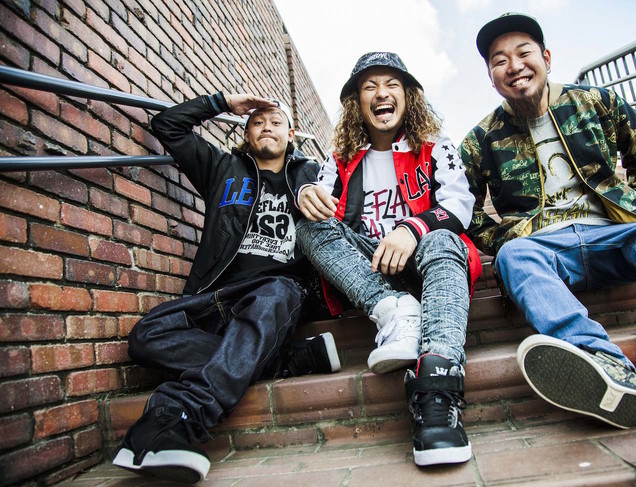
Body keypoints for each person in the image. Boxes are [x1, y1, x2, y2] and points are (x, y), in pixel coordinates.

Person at [460, 13, 636, 430]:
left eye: (524, 53)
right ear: (491, 77)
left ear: (547, 58)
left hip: (613, 235)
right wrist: (504, 236)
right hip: (546, 249)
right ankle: (600, 362)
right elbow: (463, 205)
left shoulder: (594, 102)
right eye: (499, 61)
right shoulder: (481, 139)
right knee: (513, 256)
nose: (514, 66)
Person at [112, 93, 341, 484]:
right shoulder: (222, 169)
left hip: (279, 290)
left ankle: (180, 415)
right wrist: (222, 103)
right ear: (246, 134)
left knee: (274, 295)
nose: (266, 127)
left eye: (276, 121)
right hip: (217, 295)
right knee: (146, 336)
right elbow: (167, 125)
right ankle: (282, 361)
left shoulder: (313, 173)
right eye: (257, 122)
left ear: (291, 135)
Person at [296, 52, 482, 466]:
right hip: (370, 273)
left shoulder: (435, 146)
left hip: (427, 265)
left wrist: (412, 228)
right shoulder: (340, 157)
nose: (381, 93)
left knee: (443, 240)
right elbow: (322, 205)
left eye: (391, 84)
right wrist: (306, 194)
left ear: (408, 95)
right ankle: (395, 311)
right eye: (370, 86)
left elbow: (460, 205)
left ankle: (438, 387)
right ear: (357, 103)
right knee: (306, 225)